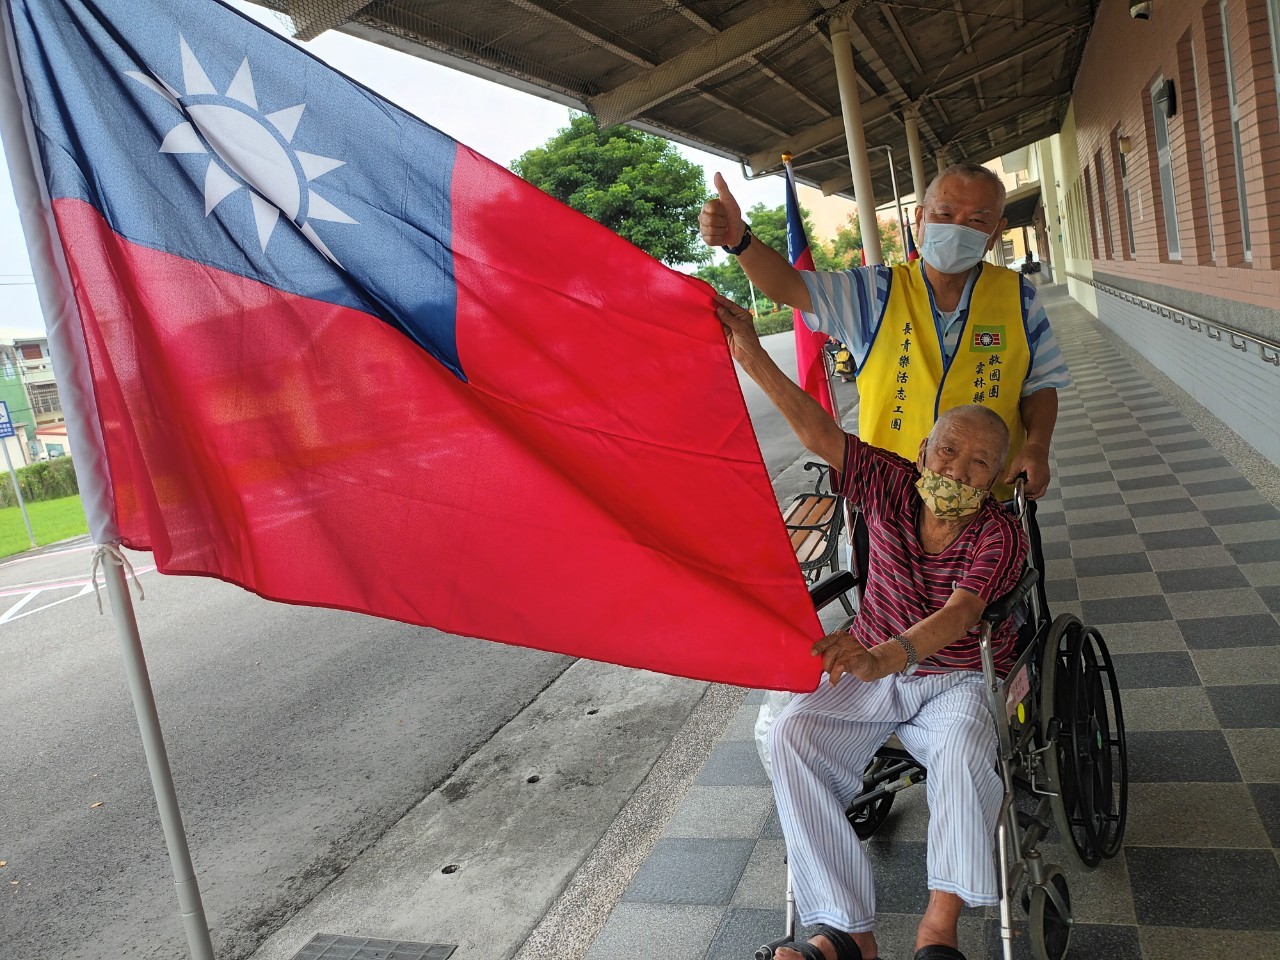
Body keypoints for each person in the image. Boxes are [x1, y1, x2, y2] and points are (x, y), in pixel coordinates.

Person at [712, 292, 1028, 960]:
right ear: (923, 450)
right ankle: (848, 932)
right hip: (879, 666)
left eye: (978, 463)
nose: (957, 470)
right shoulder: (889, 482)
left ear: (995, 477)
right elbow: (820, 433)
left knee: (967, 748)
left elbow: (963, 613)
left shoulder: (999, 533)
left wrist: (888, 655)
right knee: (795, 733)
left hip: (958, 675)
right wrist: (751, 355)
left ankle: (938, 932)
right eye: (948, 451)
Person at [701, 163, 1068, 500]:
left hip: (990, 501)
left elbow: (1039, 384)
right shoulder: (874, 292)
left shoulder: (1019, 297)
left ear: (995, 232)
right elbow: (789, 286)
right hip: (890, 501)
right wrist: (741, 241)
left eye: (975, 220)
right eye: (944, 214)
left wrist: (1037, 446)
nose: (957, 228)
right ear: (920, 218)